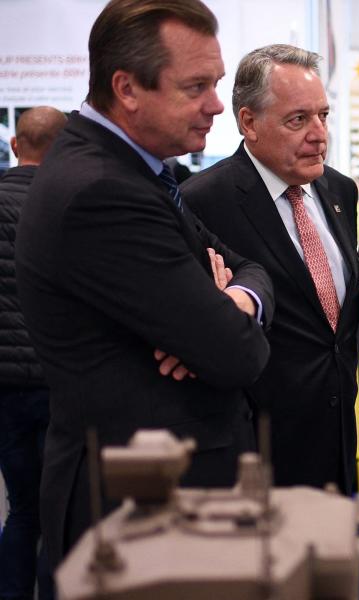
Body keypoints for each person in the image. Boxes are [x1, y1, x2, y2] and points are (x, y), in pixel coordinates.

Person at [15, 0, 275, 567]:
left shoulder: (141, 171)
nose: (215, 107)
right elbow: (237, 355)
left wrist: (232, 298)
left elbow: (250, 267)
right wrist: (218, 327)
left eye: (218, 83)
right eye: (195, 87)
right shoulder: (103, 191)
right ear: (127, 88)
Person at [183, 44, 359, 493]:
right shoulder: (204, 200)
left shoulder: (339, 190)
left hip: (337, 438)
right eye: (298, 120)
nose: (319, 135)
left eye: (323, 115)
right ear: (249, 122)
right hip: (255, 451)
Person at [0, 106, 65, 600]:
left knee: (21, 508)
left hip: (5, 388)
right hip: (57, 385)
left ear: (15, 145)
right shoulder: (69, 205)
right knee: (59, 511)